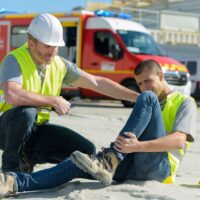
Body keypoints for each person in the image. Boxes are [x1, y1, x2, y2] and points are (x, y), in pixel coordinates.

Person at [0, 59, 197, 198]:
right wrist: (129, 148)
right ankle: (14, 182)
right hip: (131, 164)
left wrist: (136, 146)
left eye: (148, 81)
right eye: (139, 83)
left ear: (161, 76)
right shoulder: (147, 101)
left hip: (158, 168)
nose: (143, 87)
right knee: (79, 161)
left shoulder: (184, 102)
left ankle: (111, 158)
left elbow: (178, 141)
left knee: (146, 98)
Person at [0, 13, 138, 174]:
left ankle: (27, 158)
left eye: (56, 46)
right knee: (26, 113)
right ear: (31, 43)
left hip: (36, 129)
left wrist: (137, 97)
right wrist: (53, 100)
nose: (52, 51)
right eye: (47, 46)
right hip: (7, 129)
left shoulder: (59, 64)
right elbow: (13, 95)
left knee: (86, 150)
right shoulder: (14, 60)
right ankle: (8, 170)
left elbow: (96, 82)